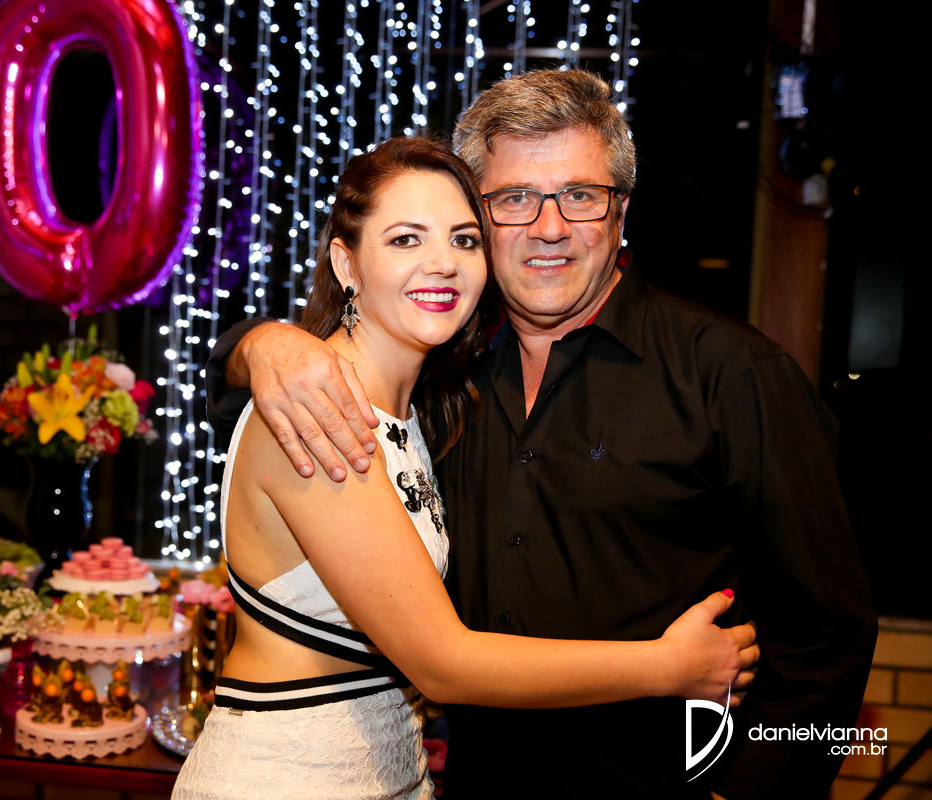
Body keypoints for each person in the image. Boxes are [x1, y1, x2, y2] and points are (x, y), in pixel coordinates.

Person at [205, 72, 876, 798]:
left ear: (621, 210)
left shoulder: (732, 375)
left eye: (580, 196)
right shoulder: (445, 381)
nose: (549, 227)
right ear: (483, 219)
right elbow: (262, 426)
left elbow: (832, 637)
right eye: (515, 199)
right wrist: (258, 344)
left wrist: (750, 795)